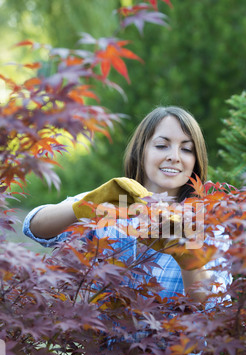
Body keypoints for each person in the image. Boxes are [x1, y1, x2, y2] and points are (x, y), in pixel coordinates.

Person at [23, 106, 231, 305]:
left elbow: (214, 308)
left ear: (196, 160)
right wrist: (86, 206)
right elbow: (34, 228)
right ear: (141, 151)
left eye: (186, 149)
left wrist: (189, 258)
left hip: (176, 342)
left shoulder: (210, 224)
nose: (174, 157)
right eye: (161, 145)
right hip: (101, 341)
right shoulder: (112, 200)